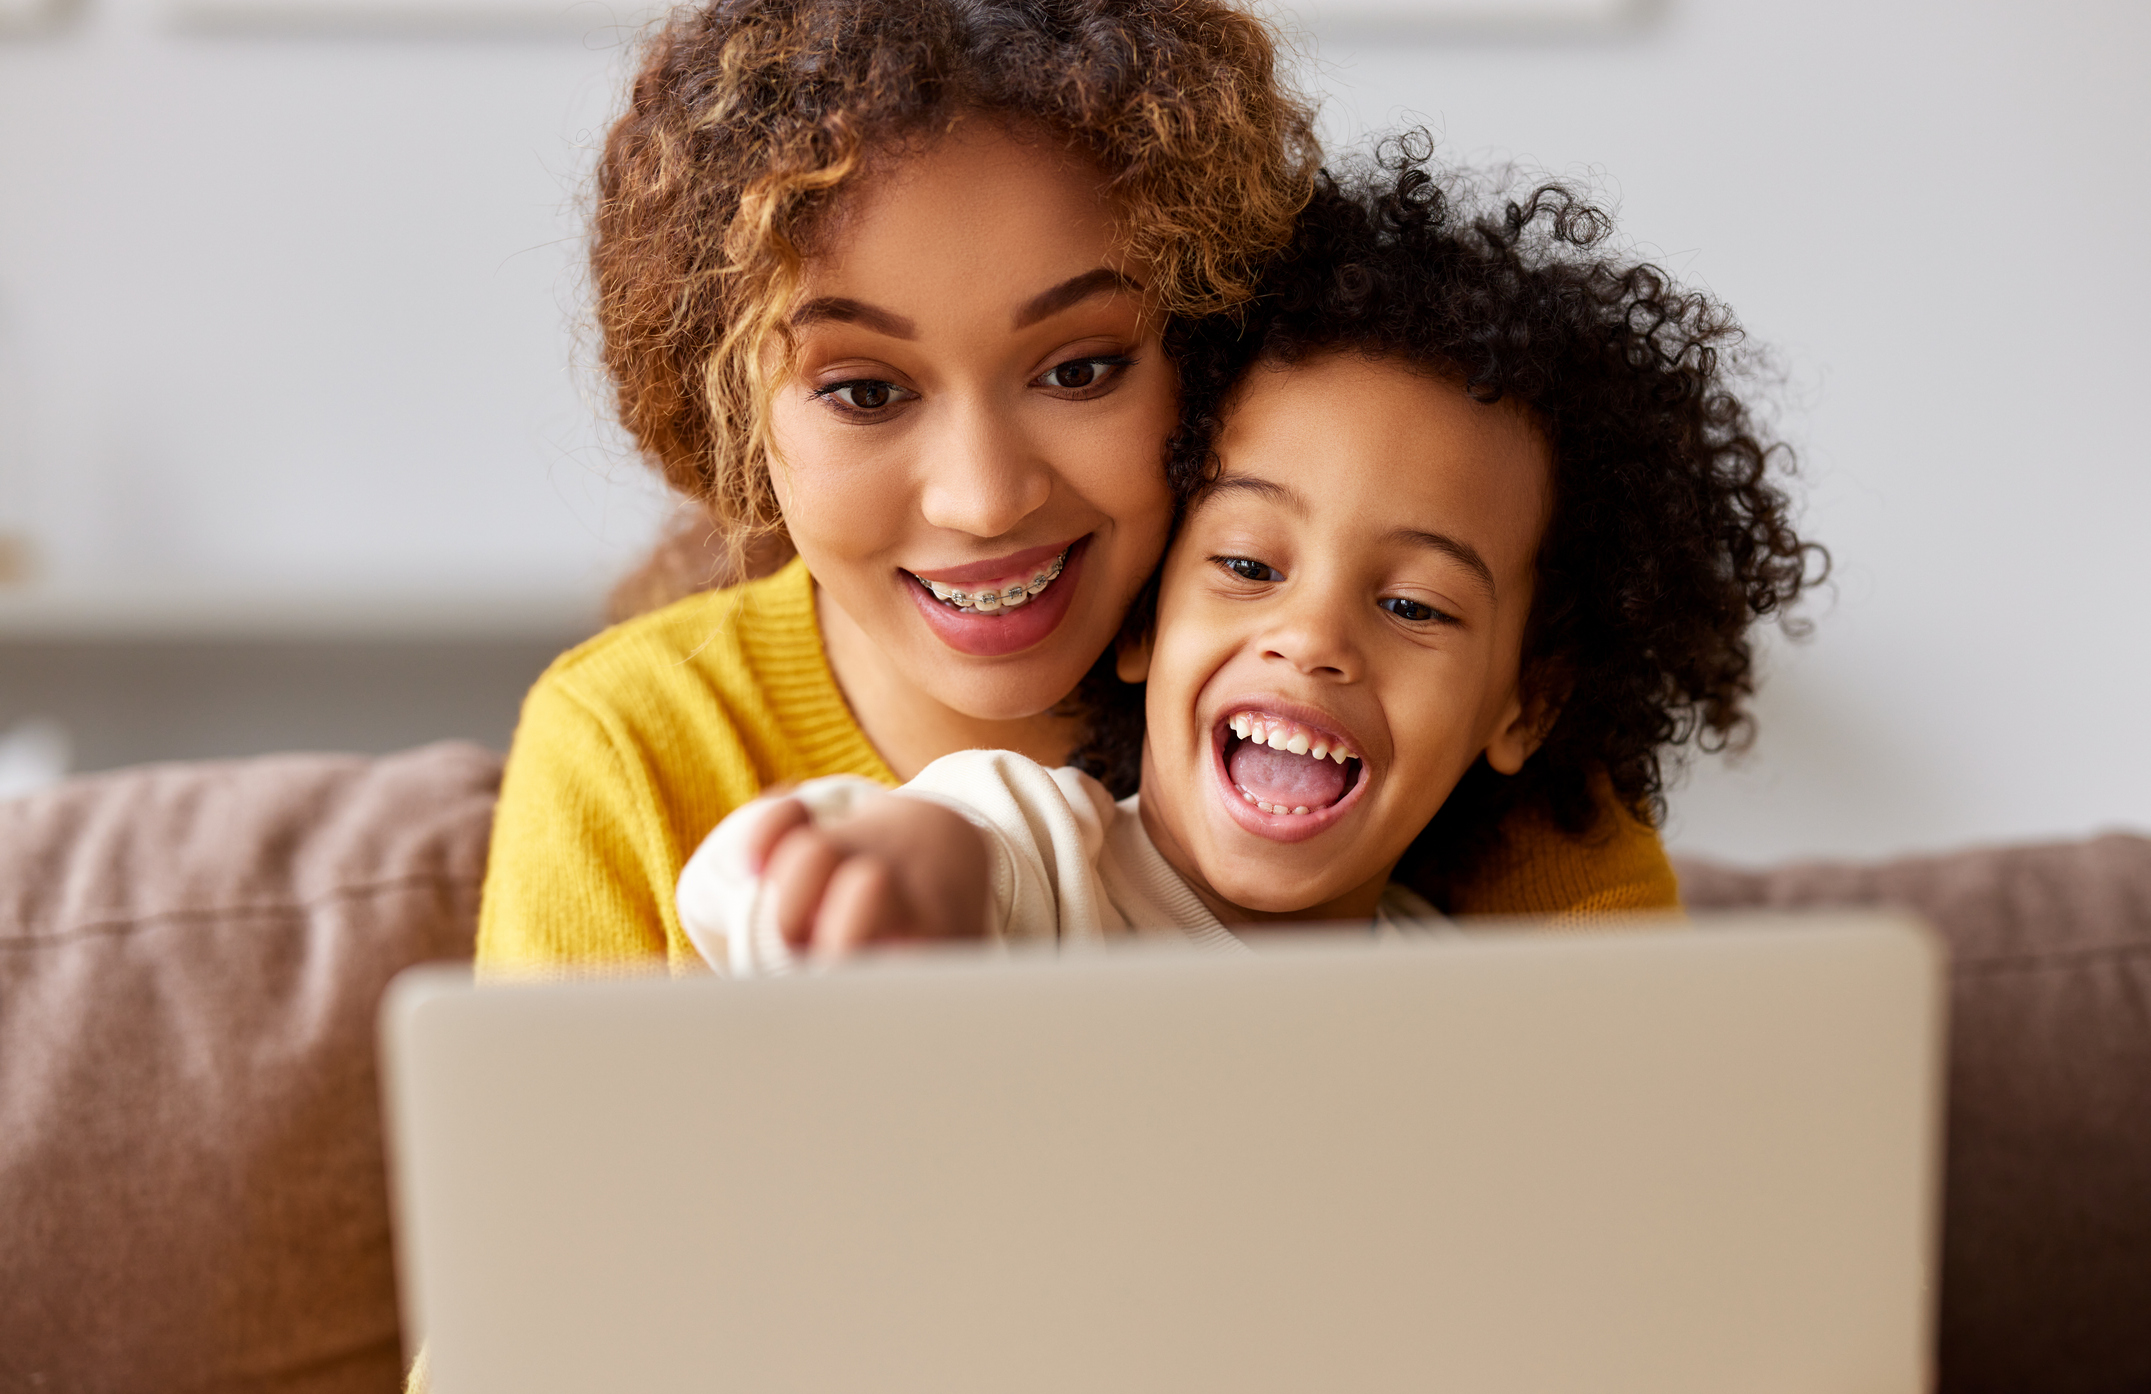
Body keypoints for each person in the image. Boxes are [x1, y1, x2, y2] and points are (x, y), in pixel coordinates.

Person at [478, 0, 1686, 980]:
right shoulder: (630, 749)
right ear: (739, 414)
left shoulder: (1448, 741)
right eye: (862, 389)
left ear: (1211, 361)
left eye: (1080, 367)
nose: (984, 497)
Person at [671, 146, 1820, 970]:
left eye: (1416, 604)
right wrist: (881, 872)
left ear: (1527, 702)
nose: (1314, 637)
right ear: (1143, 619)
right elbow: (886, 861)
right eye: (1250, 567)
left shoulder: (1471, 1003)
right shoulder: (1037, 861)